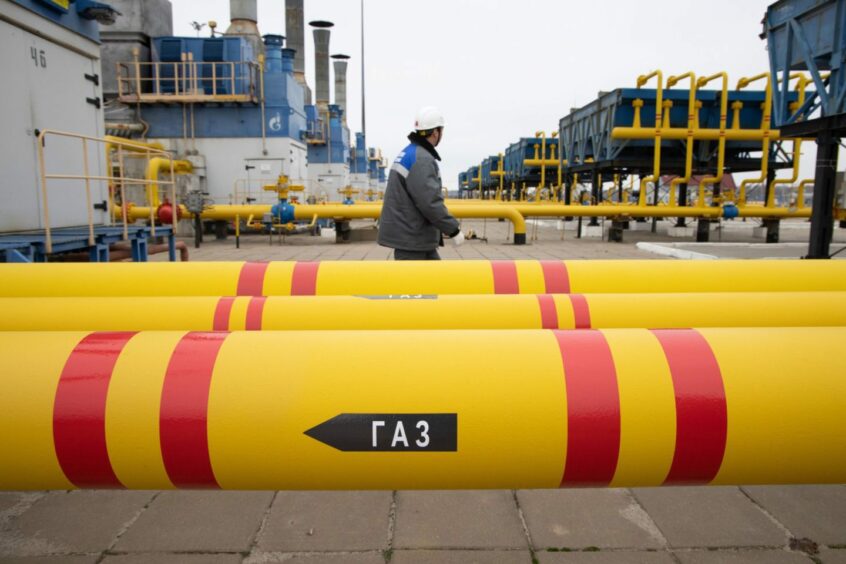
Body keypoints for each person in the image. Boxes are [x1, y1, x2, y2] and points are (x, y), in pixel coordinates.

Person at [377, 106, 464, 260]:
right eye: (441, 131)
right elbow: (429, 202)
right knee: (417, 284)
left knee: (436, 282)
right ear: (436, 132)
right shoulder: (422, 159)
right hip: (412, 239)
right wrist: (453, 230)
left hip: (412, 236)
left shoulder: (410, 152)